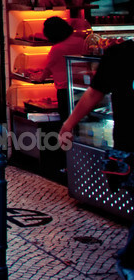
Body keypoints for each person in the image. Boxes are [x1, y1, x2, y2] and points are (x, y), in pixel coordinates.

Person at [61, 40, 134, 278]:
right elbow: (94, 92)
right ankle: (129, 261)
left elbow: (95, 92)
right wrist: (69, 124)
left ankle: (129, 258)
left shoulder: (120, 53)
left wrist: (68, 124)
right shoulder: (121, 54)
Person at [36, 17, 86, 118]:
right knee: (82, 118)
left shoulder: (57, 48)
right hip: (82, 86)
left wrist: (39, 78)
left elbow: (49, 67)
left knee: (67, 118)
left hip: (65, 90)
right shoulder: (81, 41)